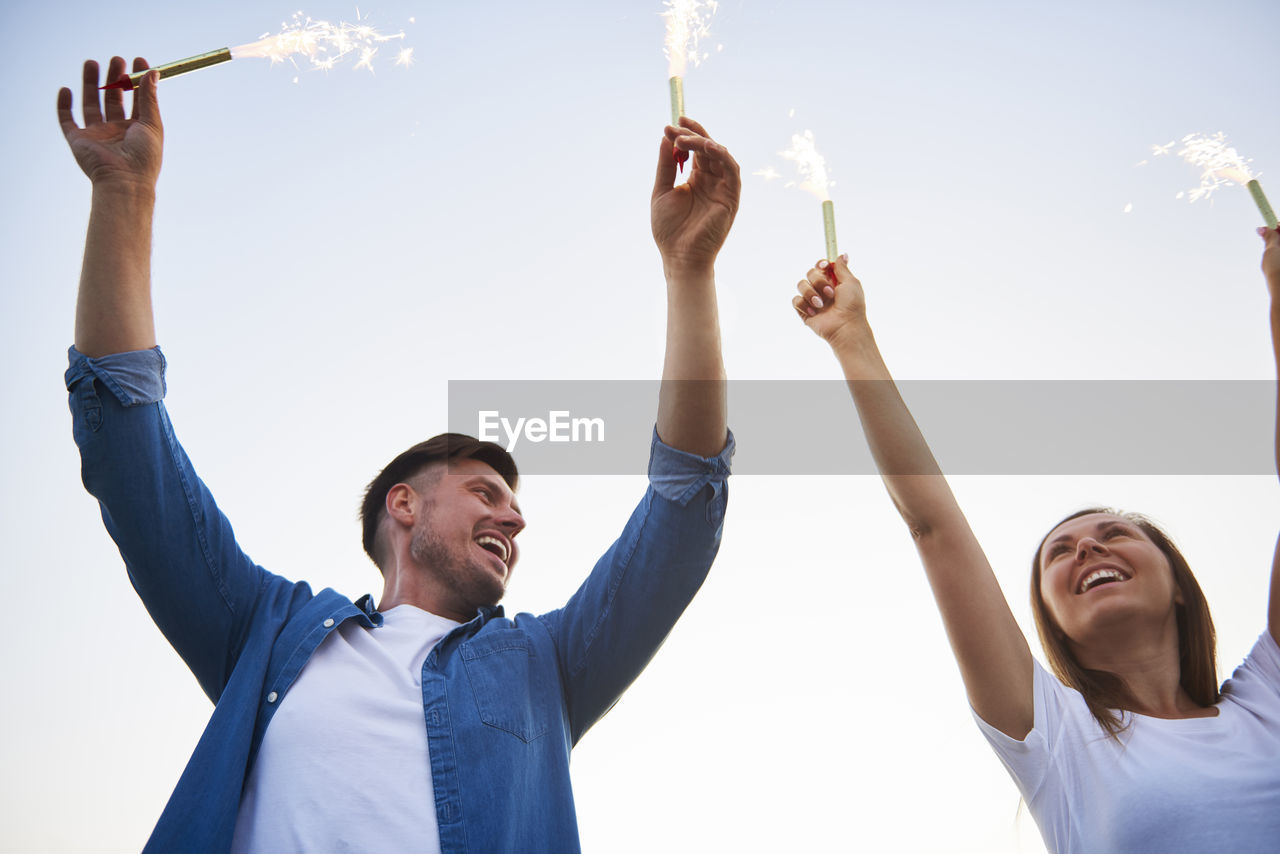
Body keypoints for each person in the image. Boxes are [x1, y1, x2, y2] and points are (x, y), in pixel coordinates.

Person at [59, 56, 739, 853]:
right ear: (404, 504)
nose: (514, 517)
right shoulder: (265, 632)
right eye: (486, 491)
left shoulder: (545, 665)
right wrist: (123, 194)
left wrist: (689, 269)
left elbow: (683, 510)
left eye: (512, 504)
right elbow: (133, 456)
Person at [790, 230, 1280, 853]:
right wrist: (851, 341)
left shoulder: (1269, 696)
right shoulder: (1056, 736)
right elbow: (933, 526)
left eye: (1115, 535)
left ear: (1179, 585)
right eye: (1060, 553)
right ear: (1051, 619)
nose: (1086, 550)